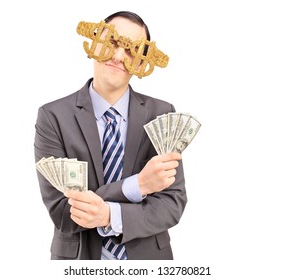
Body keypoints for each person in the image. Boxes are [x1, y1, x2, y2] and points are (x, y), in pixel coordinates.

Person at [34, 11, 187, 260]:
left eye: (132, 50)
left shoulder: (162, 114)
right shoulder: (53, 117)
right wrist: (137, 186)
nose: (118, 56)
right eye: (112, 43)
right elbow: (62, 212)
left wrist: (109, 215)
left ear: (141, 63)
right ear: (95, 42)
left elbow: (172, 205)